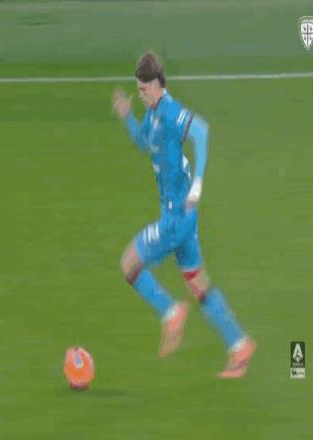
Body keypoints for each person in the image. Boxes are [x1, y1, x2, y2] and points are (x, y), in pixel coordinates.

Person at [112, 52, 256, 378]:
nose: (140, 95)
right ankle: (240, 345)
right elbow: (142, 142)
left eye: (144, 89)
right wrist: (128, 116)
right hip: (184, 221)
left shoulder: (170, 111)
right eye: (138, 89)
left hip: (176, 220)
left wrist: (199, 184)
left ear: (157, 85)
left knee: (129, 264)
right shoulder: (153, 114)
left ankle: (171, 312)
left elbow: (201, 131)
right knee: (200, 286)